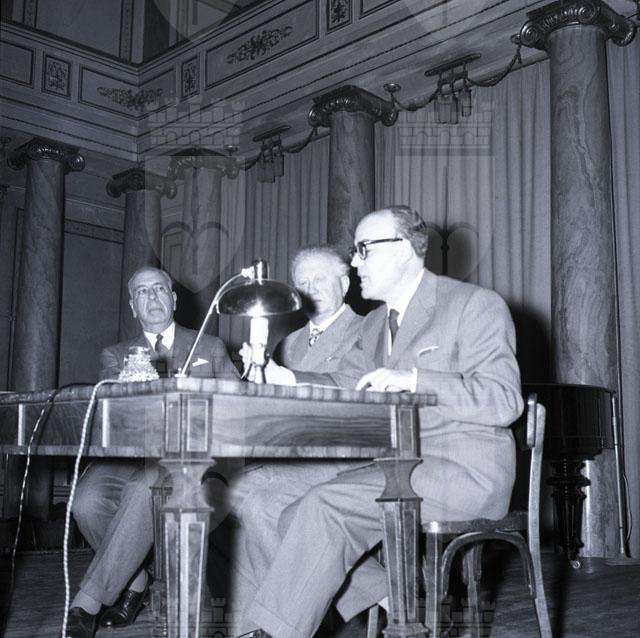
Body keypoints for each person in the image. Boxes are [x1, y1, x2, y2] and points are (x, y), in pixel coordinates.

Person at [240, 206, 523, 638]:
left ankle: (278, 632)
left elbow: (504, 400)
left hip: (462, 471)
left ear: (404, 250)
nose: (354, 263)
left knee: (324, 506)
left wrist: (416, 380)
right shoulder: (375, 324)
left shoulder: (473, 305)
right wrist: (288, 378)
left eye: (364, 249)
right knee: (290, 512)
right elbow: (343, 383)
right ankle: (401, 605)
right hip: (397, 469)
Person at [62, 266, 239, 638]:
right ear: (132, 305)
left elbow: (239, 406)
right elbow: (112, 412)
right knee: (86, 501)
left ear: (173, 299)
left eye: (159, 289)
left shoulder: (209, 346)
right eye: (142, 292)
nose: (152, 297)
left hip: (190, 459)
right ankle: (137, 579)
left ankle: (86, 602)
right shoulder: (115, 354)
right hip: (129, 456)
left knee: (146, 487)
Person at [214, 245, 364, 628]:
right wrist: (255, 381)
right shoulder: (290, 342)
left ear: (345, 283)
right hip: (292, 457)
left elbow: (354, 385)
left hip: (346, 458)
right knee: (220, 491)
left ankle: (290, 619)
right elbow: (274, 410)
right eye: (303, 282)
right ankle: (256, 623)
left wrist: (287, 377)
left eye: (320, 279)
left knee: (259, 504)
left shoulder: (370, 329)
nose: (311, 288)